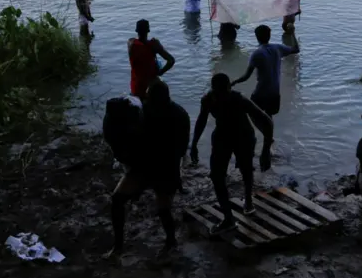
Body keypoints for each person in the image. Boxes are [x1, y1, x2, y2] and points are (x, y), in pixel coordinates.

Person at [107, 79, 190, 258]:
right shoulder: (144, 111)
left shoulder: (178, 115)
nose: (146, 101)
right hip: (143, 166)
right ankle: (118, 245)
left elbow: (181, 150)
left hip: (165, 168)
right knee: (117, 199)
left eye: (149, 98)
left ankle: (171, 241)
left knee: (163, 209)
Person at [190, 74, 273, 234]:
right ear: (213, 90)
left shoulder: (239, 99)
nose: (221, 96)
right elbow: (201, 119)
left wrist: (265, 150)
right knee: (216, 176)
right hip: (222, 135)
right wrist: (194, 143)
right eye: (217, 92)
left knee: (246, 169)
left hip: (243, 135)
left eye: (224, 92)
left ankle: (248, 201)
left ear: (230, 88)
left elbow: (266, 121)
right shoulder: (208, 99)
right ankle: (228, 218)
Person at [232, 25, 299, 117]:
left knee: (249, 113)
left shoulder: (256, 54)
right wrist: (292, 33)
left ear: (256, 37)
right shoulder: (277, 48)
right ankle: (268, 131)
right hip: (275, 93)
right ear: (269, 35)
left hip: (261, 93)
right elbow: (296, 49)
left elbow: (246, 76)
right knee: (268, 117)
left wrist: (234, 82)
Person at [128, 19, 175, 101]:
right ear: (148, 30)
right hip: (151, 89)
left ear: (136, 31)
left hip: (135, 88)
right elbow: (171, 60)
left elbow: (137, 42)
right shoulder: (154, 45)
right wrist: (160, 72)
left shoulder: (130, 44)